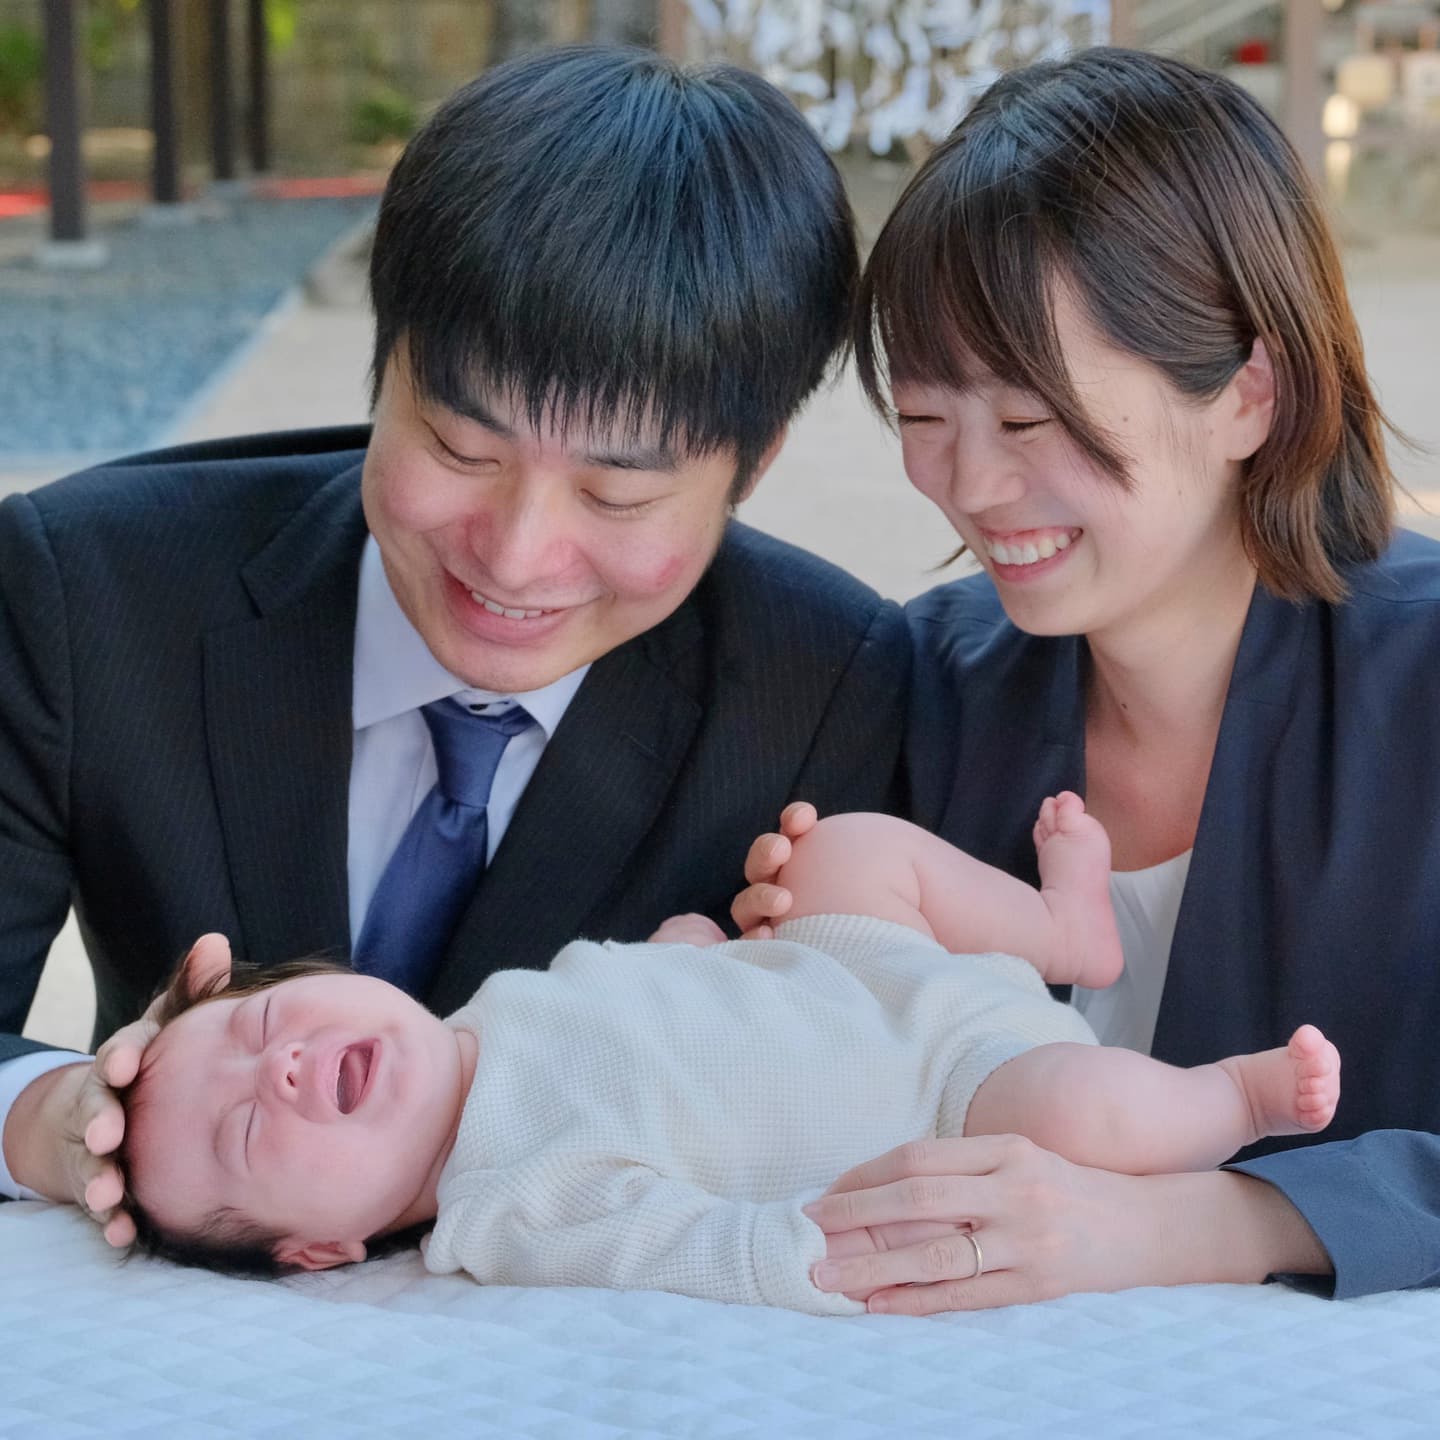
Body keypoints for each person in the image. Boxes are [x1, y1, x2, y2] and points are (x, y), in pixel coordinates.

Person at [0, 48, 908, 1243]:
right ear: (384, 366)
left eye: (617, 498)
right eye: (460, 451)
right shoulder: (87, 592)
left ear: (754, 467)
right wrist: (55, 1117)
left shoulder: (830, 686)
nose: (518, 556)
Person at [733, 45, 1440, 1315]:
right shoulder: (925, 684)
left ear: (1248, 394)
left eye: (1030, 420)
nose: (972, 486)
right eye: (928, 417)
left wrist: (1198, 1221)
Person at [118, 799, 1339, 1315]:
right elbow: (683, 1244)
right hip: (955, 1091)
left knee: (840, 851)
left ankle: (1060, 928)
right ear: (321, 1251)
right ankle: (1228, 1100)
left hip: (859, 970)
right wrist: (807, 1261)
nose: (277, 1070)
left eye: (270, 1022)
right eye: (245, 1131)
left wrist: (697, 944)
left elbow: (635, 996)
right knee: (1091, 1112)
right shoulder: (510, 1202)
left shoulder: (484, 1011)